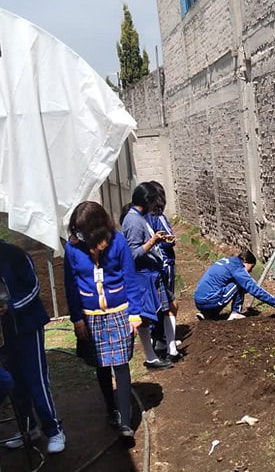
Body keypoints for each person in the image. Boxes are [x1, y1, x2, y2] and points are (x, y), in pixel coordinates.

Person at [0, 228, 65, 453]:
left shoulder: (14, 255)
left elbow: (34, 287)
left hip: (27, 325)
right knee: (14, 382)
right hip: (2, 331)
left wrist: (12, 306)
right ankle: (29, 428)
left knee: (36, 379)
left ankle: (54, 430)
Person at [64, 201, 150, 438]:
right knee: (100, 364)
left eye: (83, 230)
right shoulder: (73, 248)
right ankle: (111, 408)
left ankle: (125, 419)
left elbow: (130, 279)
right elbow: (70, 286)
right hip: (91, 317)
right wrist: (77, 319)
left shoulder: (118, 242)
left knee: (121, 365)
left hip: (119, 312)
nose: (78, 235)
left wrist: (134, 313)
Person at [120, 183, 175, 368]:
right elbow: (132, 253)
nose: (155, 206)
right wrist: (152, 242)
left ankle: (169, 348)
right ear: (146, 201)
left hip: (152, 273)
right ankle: (151, 357)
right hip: (143, 277)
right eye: (153, 202)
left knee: (168, 307)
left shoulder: (139, 218)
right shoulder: (133, 222)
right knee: (144, 317)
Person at [194, 250, 275, 319]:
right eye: (251, 268)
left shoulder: (228, 261)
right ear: (246, 262)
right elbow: (255, 290)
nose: (250, 272)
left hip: (199, 300)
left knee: (228, 286)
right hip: (209, 301)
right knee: (240, 284)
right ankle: (235, 313)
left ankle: (207, 314)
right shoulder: (238, 268)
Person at [146, 181, 180, 358]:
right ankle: (166, 341)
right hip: (164, 264)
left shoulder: (141, 217)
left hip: (150, 265)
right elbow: (170, 239)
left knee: (157, 301)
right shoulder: (158, 217)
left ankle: (158, 337)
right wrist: (170, 239)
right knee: (169, 303)